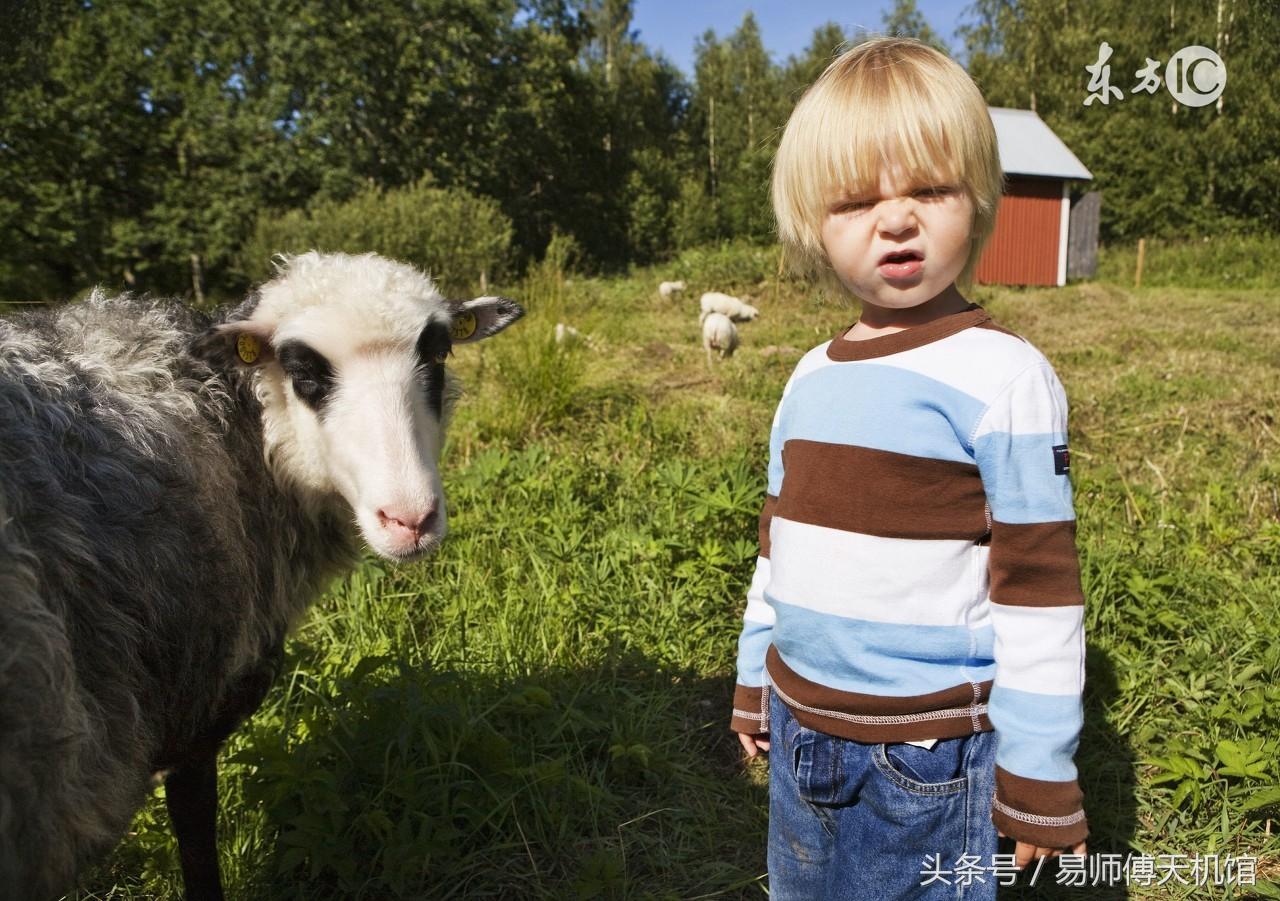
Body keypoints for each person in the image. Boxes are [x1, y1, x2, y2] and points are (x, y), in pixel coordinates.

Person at [730, 35, 1090, 899]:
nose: (897, 219)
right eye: (857, 200)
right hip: (801, 731)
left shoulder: (1003, 378)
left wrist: (1039, 770)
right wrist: (754, 677)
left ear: (980, 197)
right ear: (814, 224)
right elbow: (780, 544)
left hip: (929, 757)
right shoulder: (809, 376)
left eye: (930, 188)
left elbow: (1039, 584)